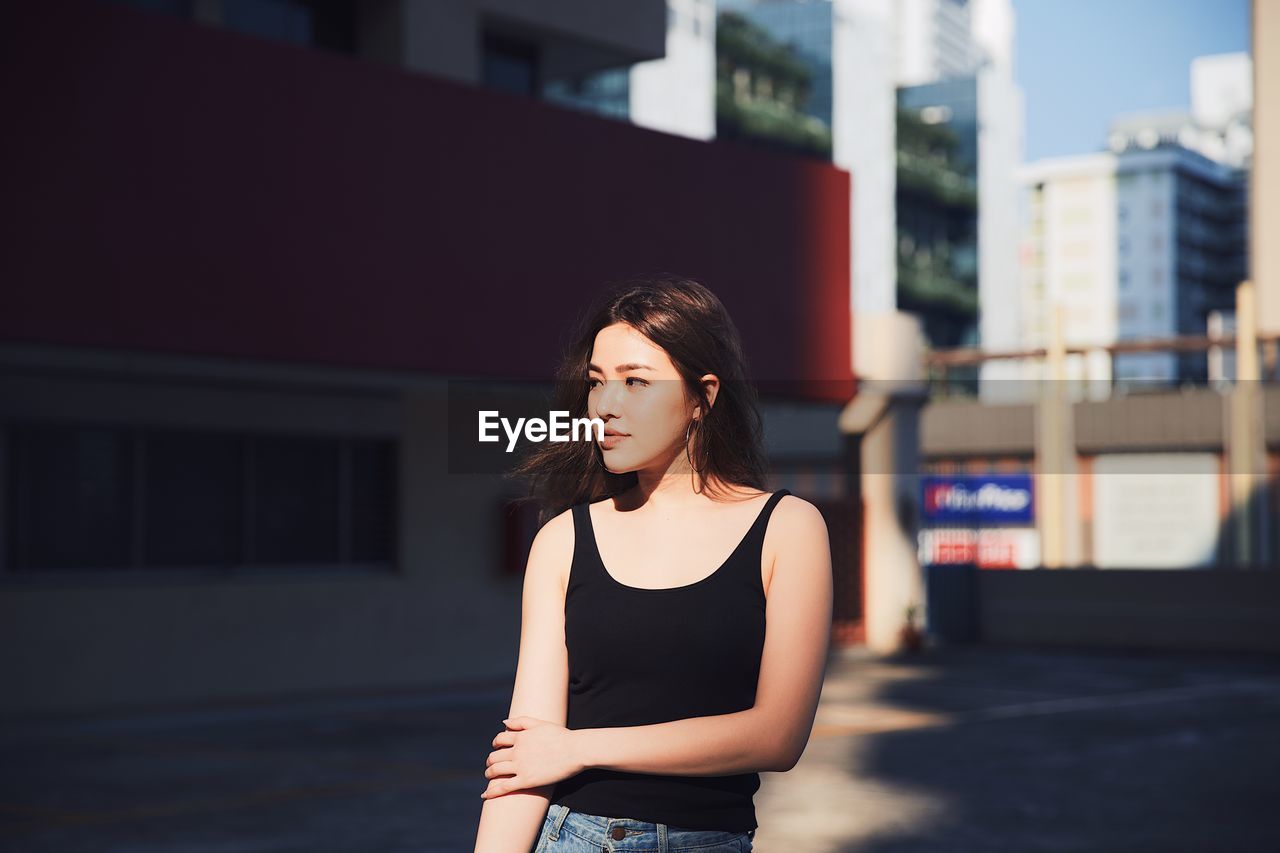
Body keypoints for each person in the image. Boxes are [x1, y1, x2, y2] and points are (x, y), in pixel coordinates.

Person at [472, 275, 832, 853]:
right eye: (597, 383)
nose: (606, 406)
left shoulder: (788, 529)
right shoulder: (563, 539)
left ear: (703, 397)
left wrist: (581, 746)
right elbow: (527, 751)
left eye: (635, 382)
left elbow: (777, 736)